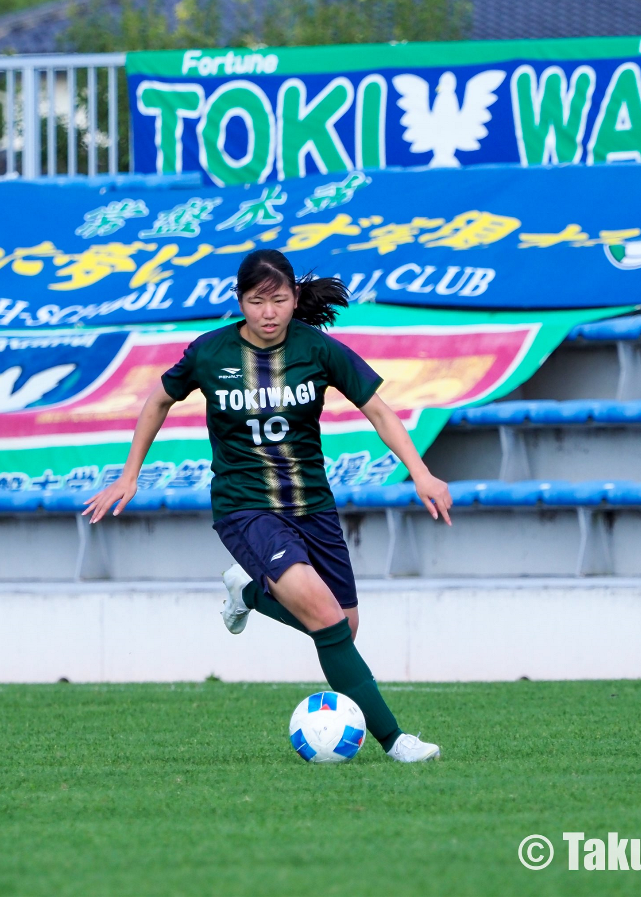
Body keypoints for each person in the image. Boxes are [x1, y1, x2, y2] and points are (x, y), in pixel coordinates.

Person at [84, 249, 454, 762]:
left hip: (312, 506)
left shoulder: (318, 349)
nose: (269, 312)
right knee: (325, 617)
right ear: (240, 302)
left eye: (279, 299)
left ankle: (250, 592)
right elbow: (159, 400)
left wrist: (422, 472)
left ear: (295, 298)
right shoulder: (210, 353)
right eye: (257, 301)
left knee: (342, 629)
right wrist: (129, 476)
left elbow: (379, 410)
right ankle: (395, 741)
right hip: (246, 507)